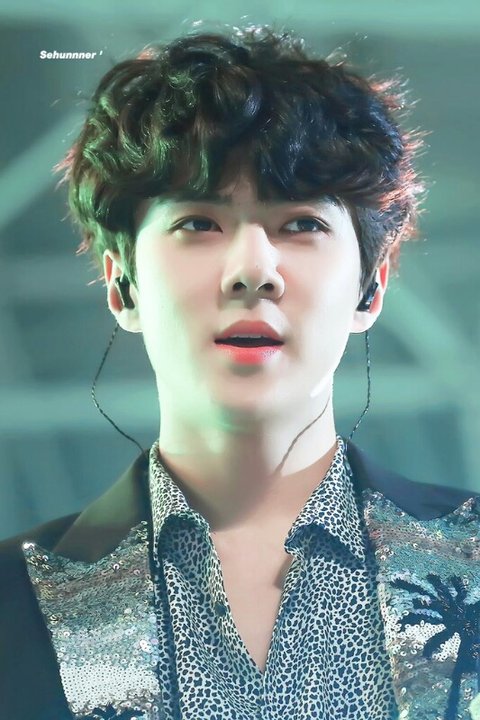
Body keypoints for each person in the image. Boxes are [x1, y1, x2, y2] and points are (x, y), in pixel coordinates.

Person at [0, 25, 479, 720]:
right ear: (123, 285)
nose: (253, 269)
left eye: (302, 224)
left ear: (370, 289)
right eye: (199, 223)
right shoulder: (11, 601)